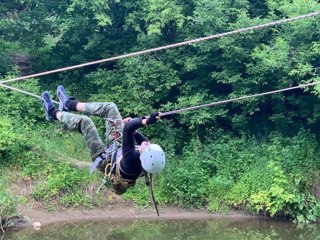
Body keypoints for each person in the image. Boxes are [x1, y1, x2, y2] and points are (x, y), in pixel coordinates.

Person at [40, 85, 165, 195]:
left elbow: (128, 127)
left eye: (147, 147)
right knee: (110, 108)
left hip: (104, 159)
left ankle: (52, 113)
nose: (148, 144)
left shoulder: (131, 160)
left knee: (85, 122)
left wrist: (147, 121)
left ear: (143, 157)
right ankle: (69, 104)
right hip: (116, 148)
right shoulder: (147, 162)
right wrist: (136, 131)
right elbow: (135, 133)